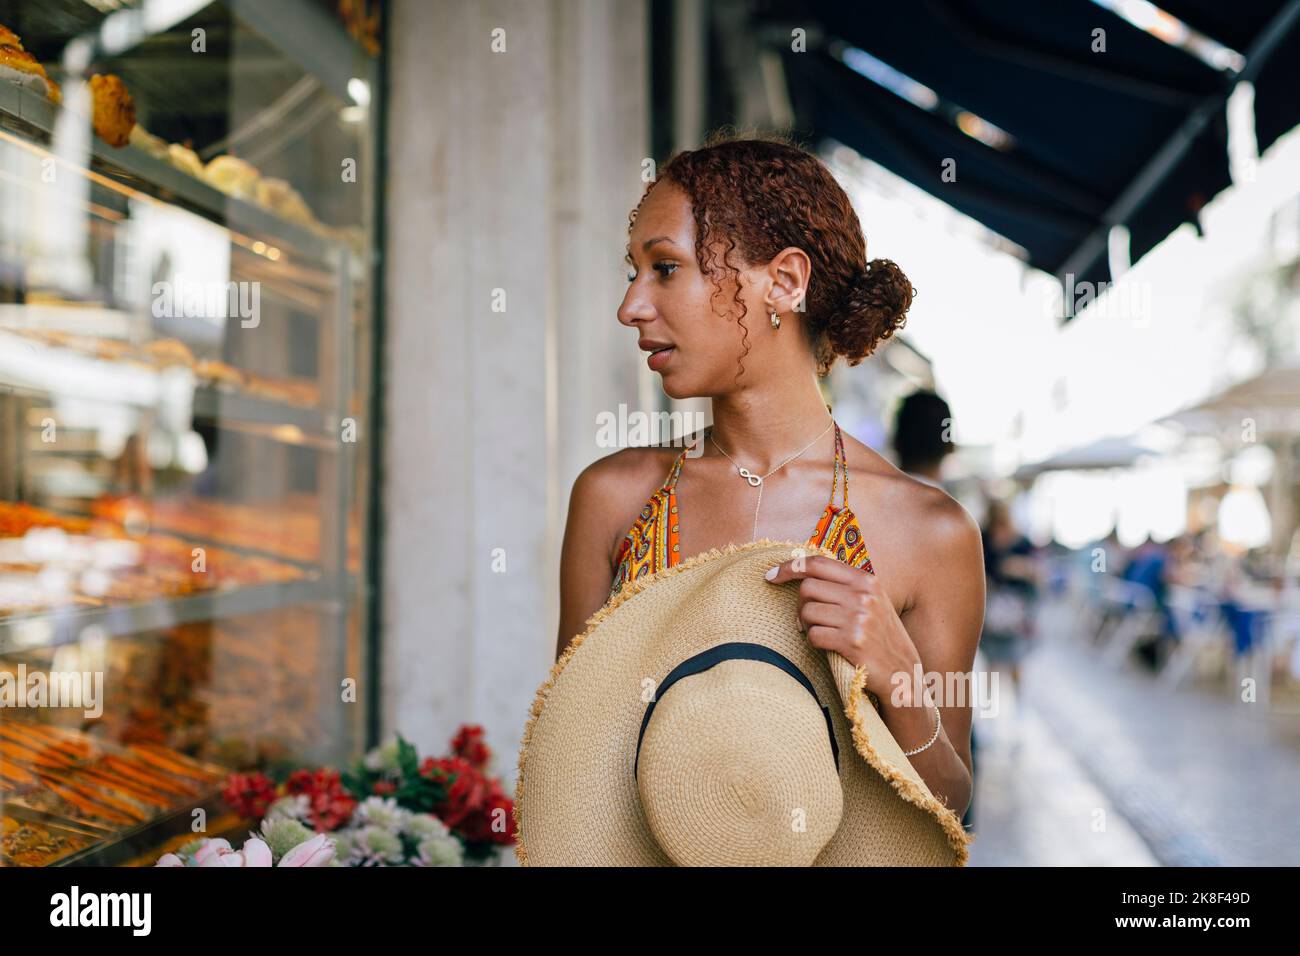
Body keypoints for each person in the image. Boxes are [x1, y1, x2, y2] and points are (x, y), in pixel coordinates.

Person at [556, 132, 986, 822]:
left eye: (664, 268)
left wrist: (897, 672)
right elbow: (568, 764)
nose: (630, 306)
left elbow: (947, 803)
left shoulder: (931, 532)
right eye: (632, 272)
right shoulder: (613, 497)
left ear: (783, 282)